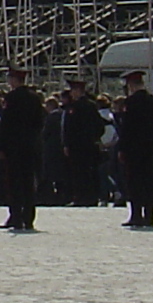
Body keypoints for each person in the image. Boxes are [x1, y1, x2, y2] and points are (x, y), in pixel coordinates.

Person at [0, 68, 45, 232]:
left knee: (14, 182)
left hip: (14, 146)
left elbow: (6, 124)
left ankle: (16, 216)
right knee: (28, 181)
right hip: (30, 145)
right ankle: (29, 217)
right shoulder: (34, 98)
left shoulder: (12, 98)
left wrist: (2, 146)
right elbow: (40, 121)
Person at [115, 70, 153, 229]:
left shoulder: (131, 102)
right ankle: (149, 216)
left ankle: (136, 215)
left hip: (133, 149)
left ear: (131, 85)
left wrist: (122, 148)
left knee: (134, 183)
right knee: (149, 182)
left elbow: (127, 128)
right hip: (149, 148)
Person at [59, 79, 107, 207]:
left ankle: (83, 197)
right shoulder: (87, 105)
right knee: (83, 172)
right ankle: (86, 196)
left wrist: (71, 143)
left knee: (81, 172)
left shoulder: (80, 106)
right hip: (84, 145)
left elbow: (95, 126)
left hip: (79, 145)